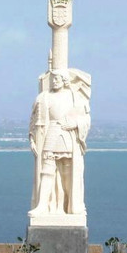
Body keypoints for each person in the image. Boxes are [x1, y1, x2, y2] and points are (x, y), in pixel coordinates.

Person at [28, 69, 91, 217]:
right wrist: (32, 138)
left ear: (64, 80)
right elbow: (34, 120)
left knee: (68, 173)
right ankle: (42, 205)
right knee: (47, 171)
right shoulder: (44, 97)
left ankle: (71, 204)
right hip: (50, 134)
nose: (54, 81)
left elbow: (86, 119)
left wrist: (75, 123)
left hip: (68, 136)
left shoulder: (75, 97)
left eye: (57, 79)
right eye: (53, 78)